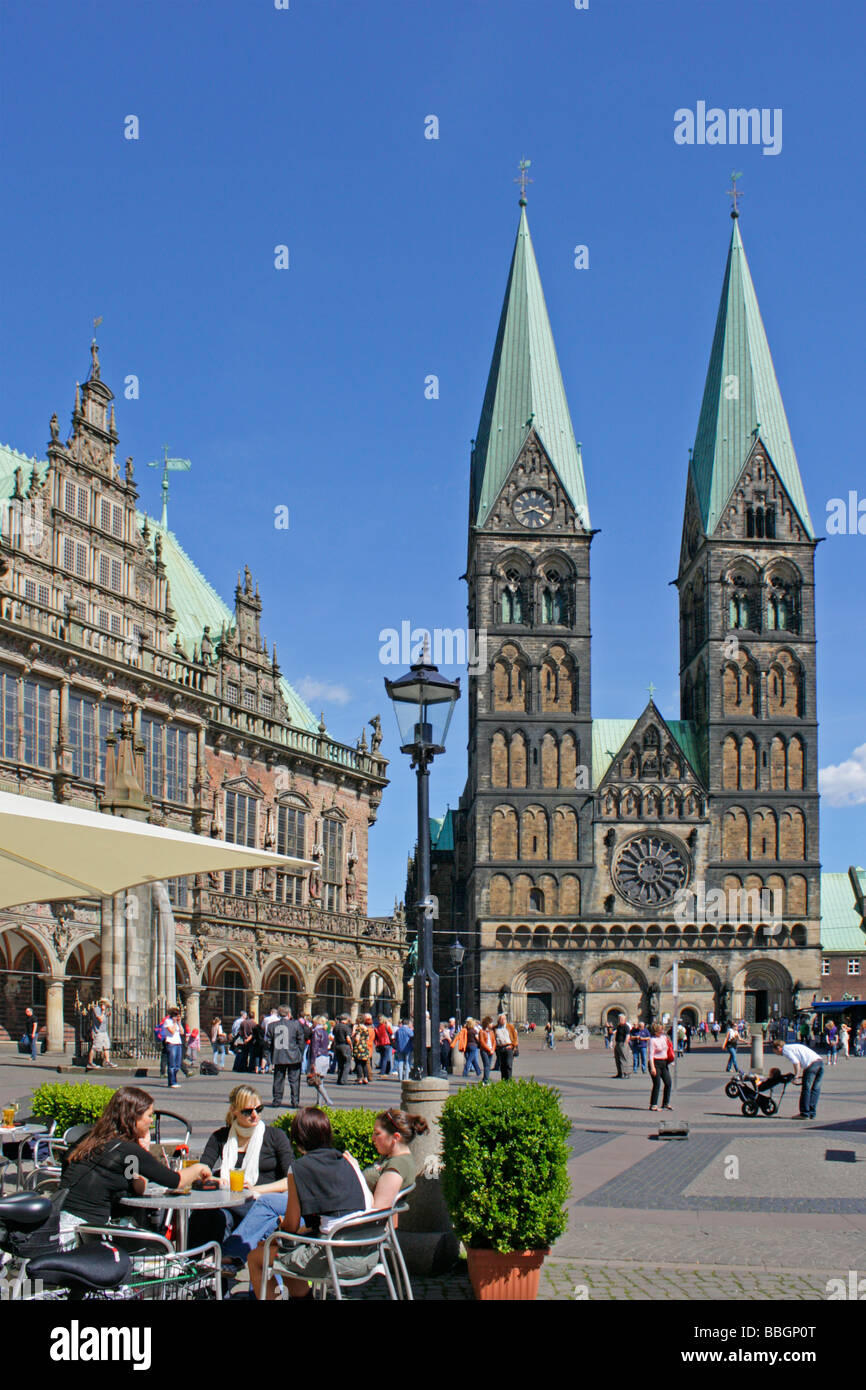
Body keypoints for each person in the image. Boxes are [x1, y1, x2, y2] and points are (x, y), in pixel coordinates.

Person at [57, 1086, 210, 1245]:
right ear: (133, 1118)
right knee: (154, 1245)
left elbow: (138, 1186)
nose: (152, 1121)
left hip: (62, 1226)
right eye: (149, 1116)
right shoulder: (128, 1150)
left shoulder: (89, 1138)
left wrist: (143, 1149)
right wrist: (199, 1168)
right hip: (88, 1234)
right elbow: (175, 1181)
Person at [188, 1084, 294, 1253]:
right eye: (247, 1111)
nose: (254, 1115)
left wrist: (255, 1190)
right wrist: (217, 1180)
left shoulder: (275, 1136)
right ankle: (198, 1267)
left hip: (260, 1203)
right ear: (234, 1111)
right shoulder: (221, 1137)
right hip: (229, 1202)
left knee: (220, 1212)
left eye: (259, 1109)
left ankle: (222, 1263)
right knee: (211, 1217)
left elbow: (292, 1180)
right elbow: (203, 1169)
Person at [267, 1005, 308, 1108]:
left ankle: (277, 1100)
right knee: (294, 1080)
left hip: (278, 1056)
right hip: (293, 1056)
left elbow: (267, 1042)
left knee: (278, 1079)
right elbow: (301, 1041)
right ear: (289, 1014)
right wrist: (300, 1053)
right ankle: (295, 1101)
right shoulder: (296, 1025)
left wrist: (272, 1053)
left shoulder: (272, 1026)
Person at [772, 1038, 824, 1119]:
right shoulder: (792, 1047)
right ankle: (812, 1112)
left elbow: (796, 1062)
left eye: (774, 1050)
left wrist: (796, 1076)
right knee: (815, 1089)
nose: (775, 1053)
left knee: (806, 1089)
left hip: (811, 1065)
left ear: (779, 1048)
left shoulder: (786, 1050)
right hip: (820, 1063)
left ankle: (804, 1113)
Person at [647, 1022, 673, 1111]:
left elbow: (668, 1049)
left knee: (668, 1082)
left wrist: (671, 1061)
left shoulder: (664, 1038)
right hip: (655, 1062)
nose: (662, 1031)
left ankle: (666, 1103)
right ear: (656, 1031)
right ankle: (653, 1104)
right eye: (661, 1030)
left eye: (663, 1029)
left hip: (664, 1062)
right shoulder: (652, 1040)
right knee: (657, 1084)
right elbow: (651, 1055)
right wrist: (652, 1067)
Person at [86, 998, 116, 1070]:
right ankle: (90, 1063)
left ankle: (107, 1061)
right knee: (95, 1047)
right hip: (98, 1031)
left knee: (106, 1046)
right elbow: (100, 1019)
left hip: (104, 1031)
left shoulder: (103, 1011)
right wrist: (103, 1012)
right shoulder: (96, 1009)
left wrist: (107, 1014)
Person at [162, 1006, 184, 1088]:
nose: (177, 1017)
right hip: (171, 1043)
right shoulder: (168, 1022)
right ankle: (172, 1082)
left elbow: (182, 1032)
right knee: (172, 1064)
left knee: (177, 1064)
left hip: (178, 1043)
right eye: (176, 1015)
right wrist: (174, 1023)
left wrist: (179, 1023)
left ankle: (174, 1080)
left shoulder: (176, 1023)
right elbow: (171, 1031)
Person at [494, 1013, 519, 1080]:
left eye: (504, 1019)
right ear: (498, 1020)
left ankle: (509, 1079)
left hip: (509, 1047)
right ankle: (504, 1080)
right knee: (502, 1066)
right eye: (501, 1019)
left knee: (508, 1064)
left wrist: (513, 1045)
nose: (503, 1020)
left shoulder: (510, 1027)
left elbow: (515, 1037)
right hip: (500, 1048)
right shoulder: (495, 1028)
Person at [331, 1013, 354, 1085]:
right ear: (346, 1019)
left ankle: (339, 1078)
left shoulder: (336, 1026)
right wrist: (351, 1045)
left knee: (340, 1063)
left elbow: (333, 1036)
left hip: (337, 1045)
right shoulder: (346, 1027)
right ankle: (343, 1080)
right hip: (345, 1045)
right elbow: (348, 1038)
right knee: (347, 1063)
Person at [352, 1015, 373, 1085]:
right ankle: (366, 1078)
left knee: (358, 1063)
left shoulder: (358, 1028)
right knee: (364, 1063)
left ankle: (360, 1078)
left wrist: (354, 1039)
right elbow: (367, 1038)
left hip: (358, 1047)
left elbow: (356, 1038)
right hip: (364, 1046)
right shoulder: (366, 1028)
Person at [478, 1016, 496, 1085]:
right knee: (487, 1065)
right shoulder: (481, 1032)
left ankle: (485, 1078)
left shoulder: (491, 1032)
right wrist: (489, 1049)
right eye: (491, 1023)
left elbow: (494, 1041)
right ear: (487, 1024)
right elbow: (482, 1042)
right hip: (484, 1051)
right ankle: (486, 1080)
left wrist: (493, 1049)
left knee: (488, 1065)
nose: (492, 1024)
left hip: (491, 1050)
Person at [613, 1014, 630, 1079]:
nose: (619, 1020)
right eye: (619, 1019)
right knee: (617, 1059)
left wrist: (625, 1044)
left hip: (623, 1044)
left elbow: (628, 1036)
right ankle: (619, 1073)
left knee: (624, 1059)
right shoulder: (618, 1026)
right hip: (618, 1043)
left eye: (621, 1019)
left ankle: (625, 1073)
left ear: (624, 1019)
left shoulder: (626, 1026)